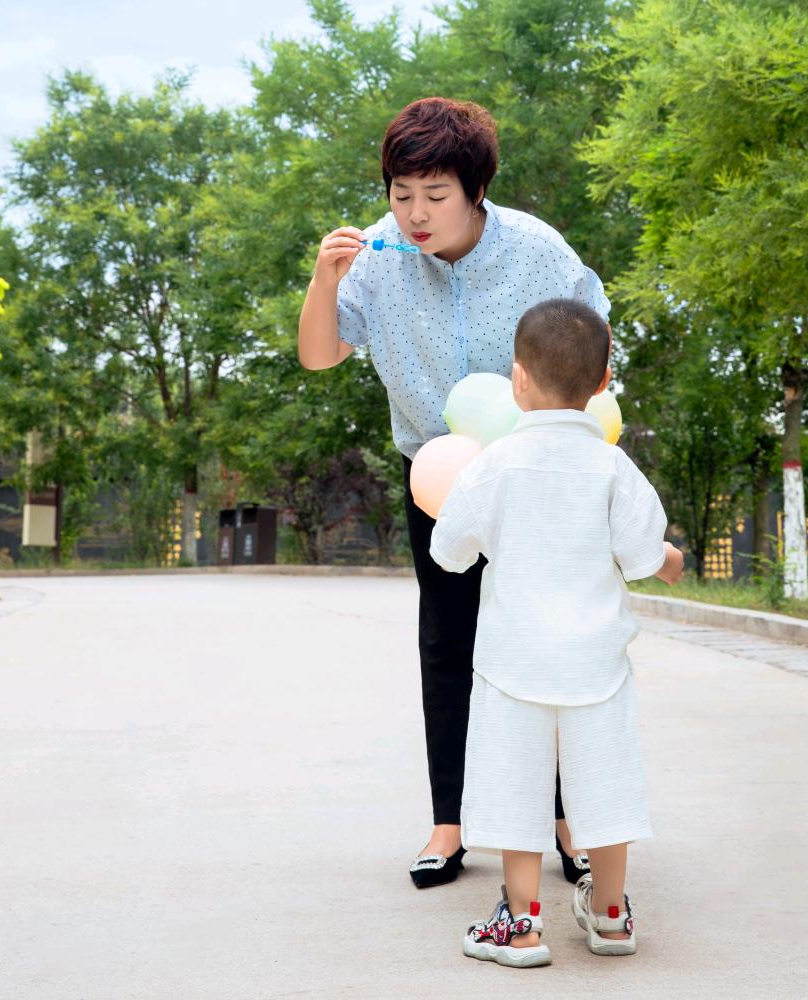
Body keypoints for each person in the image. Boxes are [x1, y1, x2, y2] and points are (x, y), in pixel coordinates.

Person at [298, 98, 612, 887]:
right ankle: (451, 821)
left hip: (533, 477)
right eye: (401, 193)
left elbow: (596, 346)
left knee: (547, 644)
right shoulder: (377, 256)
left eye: (435, 195)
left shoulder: (537, 251)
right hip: (438, 478)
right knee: (447, 645)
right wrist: (325, 279)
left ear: (476, 190)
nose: (414, 213)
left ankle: (566, 820)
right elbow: (319, 355)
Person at [429, 298, 684, 968]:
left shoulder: (494, 464)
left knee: (514, 784)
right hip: (596, 662)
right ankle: (611, 917)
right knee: (605, 782)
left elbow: (448, 552)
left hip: (514, 661)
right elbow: (643, 555)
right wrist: (671, 558)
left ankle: (522, 926)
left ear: (517, 380)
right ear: (602, 383)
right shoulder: (612, 467)